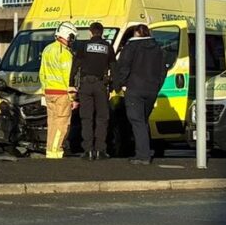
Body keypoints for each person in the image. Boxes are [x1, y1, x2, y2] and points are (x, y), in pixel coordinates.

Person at [113, 24, 166, 165]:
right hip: (151, 89)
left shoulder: (130, 47)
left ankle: (143, 156)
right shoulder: (158, 48)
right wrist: (156, 86)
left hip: (134, 89)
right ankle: (146, 151)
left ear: (136, 33)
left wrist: (121, 85)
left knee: (137, 122)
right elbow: (162, 71)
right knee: (143, 121)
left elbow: (123, 66)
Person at [71, 22, 116, 161]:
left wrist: (71, 83)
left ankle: (88, 150)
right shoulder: (107, 47)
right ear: (102, 33)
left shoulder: (84, 46)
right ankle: (101, 150)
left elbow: (75, 65)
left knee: (86, 118)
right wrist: (114, 86)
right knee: (102, 118)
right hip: (101, 84)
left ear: (90, 32)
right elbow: (114, 67)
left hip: (85, 85)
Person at [39, 22, 77, 159]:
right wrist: (73, 98)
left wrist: (45, 90)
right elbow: (69, 78)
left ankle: (50, 151)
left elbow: (41, 73)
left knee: (52, 123)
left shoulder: (47, 50)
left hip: (49, 92)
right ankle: (56, 151)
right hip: (62, 94)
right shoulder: (65, 54)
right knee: (62, 124)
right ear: (68, 36)